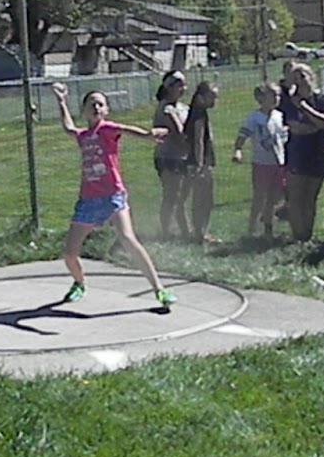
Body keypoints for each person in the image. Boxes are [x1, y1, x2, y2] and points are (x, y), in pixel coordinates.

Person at [50, 83, 174, 307]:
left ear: (106, 110)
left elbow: (126, 130)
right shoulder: (83, 135)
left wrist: (147, 135)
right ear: (84, 111)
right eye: (91, 104)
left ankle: (159, 289)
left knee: (128, 238)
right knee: (69, 254)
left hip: (112, 195)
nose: (96, 107)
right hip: (88, 200)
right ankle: (79, 283)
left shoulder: (107, 129)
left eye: (100, 104)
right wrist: (61, 101)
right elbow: (69, 128)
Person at [282, 62, 324, 242]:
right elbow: (294, 128)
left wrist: (304, 108)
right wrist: (315, 126)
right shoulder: (289, 102)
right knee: (295, 199)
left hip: (317, 153)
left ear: (311, 77)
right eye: (295, 78)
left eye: (303, 76)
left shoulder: (322, 100)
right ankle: (298, 235)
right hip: (295, 154)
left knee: (310, 199)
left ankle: (307, 236)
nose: (300, 81)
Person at [232, 82, 287, 238]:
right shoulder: (255, 117)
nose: (276, 99)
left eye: (278, 95)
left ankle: (268, 227)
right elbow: (243, 134)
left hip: (278, 162)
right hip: (261, 163)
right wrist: (238, 150)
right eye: (272, 95)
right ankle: (252, 228)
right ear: (262, 98)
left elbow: (282, 138)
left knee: (274, 196)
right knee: (259, 197)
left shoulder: (279, 116)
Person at [152, 70, 190, 237]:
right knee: (171, 196)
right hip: (168, 157)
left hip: (182, 156)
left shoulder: (182, 107)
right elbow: (180, 132)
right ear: (168, 87)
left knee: (181, 197)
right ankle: (166, 232)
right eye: (178, 85)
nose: (182, 88)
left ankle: (185, 231)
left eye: (183, 85)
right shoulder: (166, 108)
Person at [181, 80, 219, 243]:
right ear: (201, 97)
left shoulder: (197, 112)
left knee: (201, 198)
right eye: (212, 97)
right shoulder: (198, 115)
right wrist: (200, 164)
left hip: (198, 162)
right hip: (199, 163)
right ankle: (200, 233)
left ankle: (199, 231)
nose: (214, 101)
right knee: (203, 199)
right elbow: (198, 140)